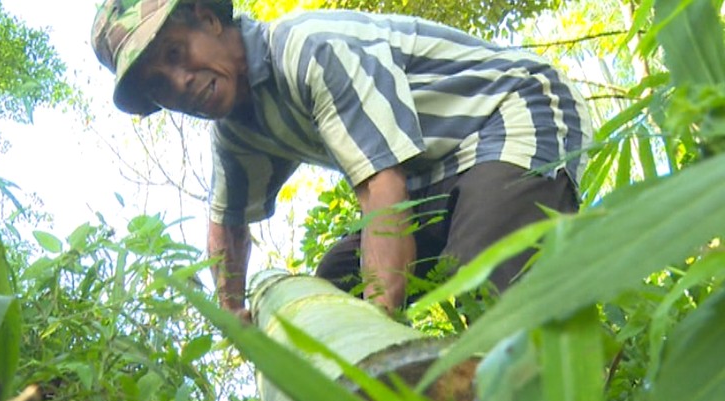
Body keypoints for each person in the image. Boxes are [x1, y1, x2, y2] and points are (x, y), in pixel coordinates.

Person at [91, 0, 592, 319]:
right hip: (433, 173)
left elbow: (382, 190)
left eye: (177, 53)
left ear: (209, 18)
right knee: (331, 294)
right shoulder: (236, 131)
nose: (178, 83)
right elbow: (227, 226)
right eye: (159, 83)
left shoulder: (311, 50)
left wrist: (378, 326)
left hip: (510, 112)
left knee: (488, 269)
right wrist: (232, 312)